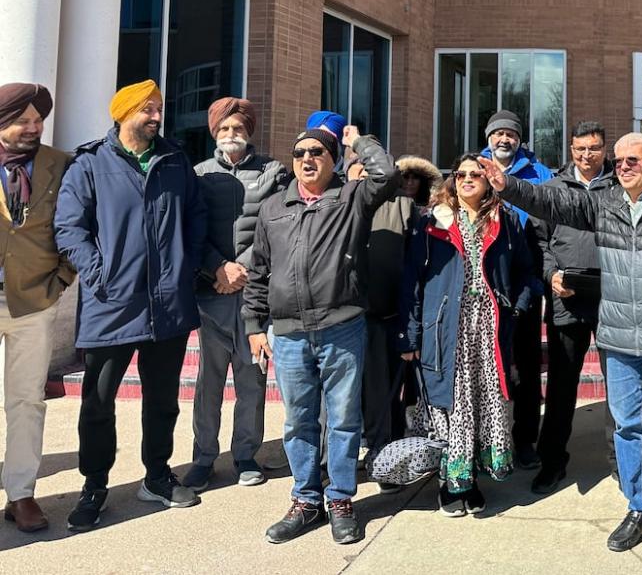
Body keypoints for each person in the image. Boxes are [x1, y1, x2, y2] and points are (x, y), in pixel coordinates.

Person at [477, 134, 642, 572]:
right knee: (627, 429)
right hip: (619, 338)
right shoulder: (604, 203)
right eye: (619, 161)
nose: (622, 167)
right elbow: (551, 204)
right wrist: (507, 186)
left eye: (632, 161)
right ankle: (640, 508)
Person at [55, 80, 208, 530]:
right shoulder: (89, 164)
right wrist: (100, 273)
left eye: (159, 108)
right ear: (123, 114)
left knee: (162, 400)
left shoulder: (176, 159)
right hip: (112, 305)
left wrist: (189, 263)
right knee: (98, 403)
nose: (156, 116)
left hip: (170, 303)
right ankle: (95, 485)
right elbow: (69, 227)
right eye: (147, 109)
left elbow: (196, 214)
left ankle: (157, 476)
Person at [245, 124, 398, 545]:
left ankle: (341, 500)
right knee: (298, 421)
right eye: (299, 154)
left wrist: (359, 142)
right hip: (290, 333)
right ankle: (306, 500)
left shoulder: (351, 198)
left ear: (333, 159)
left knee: (345, 420)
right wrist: (255, 326)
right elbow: (258, 273)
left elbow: (387, 175)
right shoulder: (274, 207)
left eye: (317, 152)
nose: (307, 159)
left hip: (340, 326)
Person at [398, 154, 537, 515]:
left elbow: (526, 271)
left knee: (482, 405)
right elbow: (411, 280)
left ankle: (472, 480)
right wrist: (410, 335)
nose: (468, 179)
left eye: (477, 174)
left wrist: (516, 306)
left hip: (489, 328)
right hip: (445, 327)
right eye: (461, 174)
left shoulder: (504, 222)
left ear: (490, 180)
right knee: (452, 406)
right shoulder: (433, 223)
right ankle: (450, 484)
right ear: (452, 180)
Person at [185, 98, 286, 493]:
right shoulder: (199, 174)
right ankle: (204, 458)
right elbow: (193, 230)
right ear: (215, 132)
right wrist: (218, 269)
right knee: (208, 382)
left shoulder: (273, 172)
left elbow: (274, 224)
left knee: (251, 378)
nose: (232, 135)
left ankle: (246, 454)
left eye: (238, 128)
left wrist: (240, 269)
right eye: (225, 129)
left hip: (254, 292)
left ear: (249, 131)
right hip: (210, 290)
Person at [0, 83, 74, 532]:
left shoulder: (60, 165)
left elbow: (78, 225)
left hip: (34, 301)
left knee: (27, 400)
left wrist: (61, 279)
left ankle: (22, 493)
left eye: (37, 120)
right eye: (22, 120)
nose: (33, 127)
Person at [531, 121, 616, 494]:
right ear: (570, 147)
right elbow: (538, 241)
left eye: (594, 148)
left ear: (604, 148)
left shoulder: (619, 186)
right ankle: (552, 461)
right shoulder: (551, 189)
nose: (586, 155)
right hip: (566, 299)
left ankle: (622, 461)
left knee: (622, 384)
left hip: (614, 298)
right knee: (563, 386)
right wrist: (550, 275)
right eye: (579, 148)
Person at [480, 109, 552, 470]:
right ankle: (484, 441)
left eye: (510, 134)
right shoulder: (471, 170)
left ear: (520, 139)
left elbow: (550, 233)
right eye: (498, 134)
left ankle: (524, 439)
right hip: (481, 292)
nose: (504, 139)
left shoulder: (541, 176)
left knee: (523, 370)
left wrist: (536, 286)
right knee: (482, 371)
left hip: (523, 288)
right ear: (489, 137)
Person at [346, 155, 421, 477]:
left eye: (372, 171)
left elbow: (415, 265)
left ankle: (383, 453)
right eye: (359, 171)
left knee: (381, 393)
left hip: (385, 315)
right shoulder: (335, 205)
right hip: (340, 318)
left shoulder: (402, 206)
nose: (367, 177)